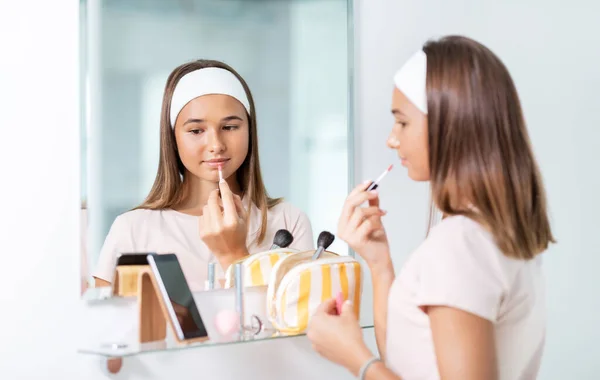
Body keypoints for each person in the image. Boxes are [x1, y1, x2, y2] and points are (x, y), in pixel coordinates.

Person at [307, 35, 554, 380]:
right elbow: (409, 360)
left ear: (451, 124)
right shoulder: (490, 234)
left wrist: (355, 358)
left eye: (403, 122)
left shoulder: (460, 245)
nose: (392, 139)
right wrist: (379, 264)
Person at [93, 60, 314, 291]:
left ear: (250, 130)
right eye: (196, 131)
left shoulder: (288, 221)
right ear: (173, 138)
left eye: (230, 127)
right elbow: (106, 324)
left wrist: (233, 255)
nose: (216, 145)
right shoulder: (133, 229)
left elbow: (300, 321)